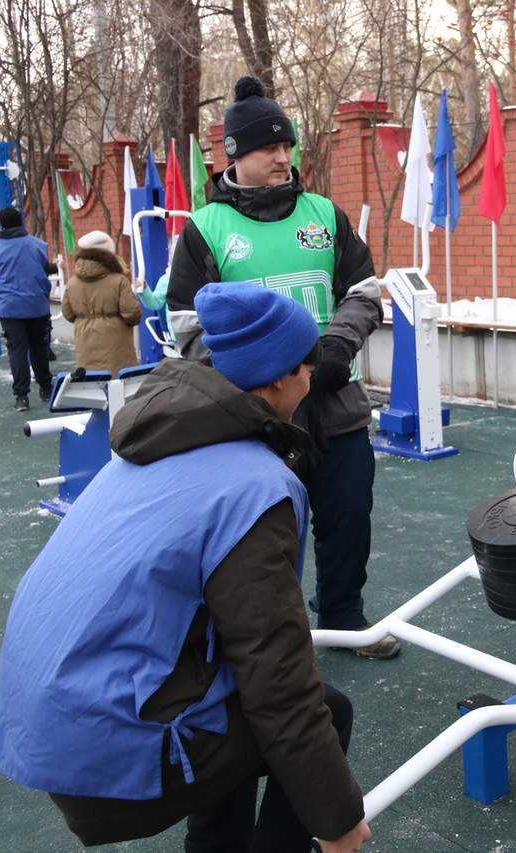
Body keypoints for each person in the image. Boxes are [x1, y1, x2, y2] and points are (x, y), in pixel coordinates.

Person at [0, 282, 373, 853]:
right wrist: (339, 824)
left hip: (45, 714)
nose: (314, 377)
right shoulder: (255, 488)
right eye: (308, 365)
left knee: (229, 699)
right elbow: (280, 683)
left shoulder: (164, 439)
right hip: (99, 745)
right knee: (322, 709)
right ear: (277, 377)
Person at [167, 76, 399, 660]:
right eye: (268, 147)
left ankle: (345, 619)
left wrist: (336, 351)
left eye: (287, 146)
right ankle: (270, 638)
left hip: (333, 400)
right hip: (256, 414)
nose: (282, 157)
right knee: (262, 534)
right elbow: (187, 328)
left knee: (348, 515)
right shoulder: (205, 230)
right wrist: (257, 376)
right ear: (233, 156)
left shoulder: (325, 216)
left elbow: (365, 293)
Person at [0, 206, 56, 411]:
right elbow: (42, 270)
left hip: (9, 306)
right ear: (20, 221)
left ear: (1, 224)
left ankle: (22, 397)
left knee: (16, 350)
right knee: (39, 347)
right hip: (36, 304)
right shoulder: (38, 245)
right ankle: (45, 387)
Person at [61, 230, 142, 375]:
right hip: (117, 346)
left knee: (93, 385)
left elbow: (67, 313)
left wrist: (85, 320)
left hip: (85, 343)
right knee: (119, 385)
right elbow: (132, 313)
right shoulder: (119, 280)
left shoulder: (72, 283)